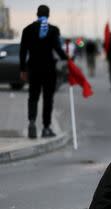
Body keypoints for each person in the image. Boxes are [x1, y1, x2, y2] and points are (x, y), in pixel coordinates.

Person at [19, 5, 68, 139]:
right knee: (48, 99)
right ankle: (46, 128)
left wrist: (23, 69)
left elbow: (23, 51)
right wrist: (67, 59)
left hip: (33, 68)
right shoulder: (53, 30)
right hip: (48, 69)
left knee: (33, 97)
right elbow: (58, 49)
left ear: (37, 14)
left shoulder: (27, 30)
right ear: (48, 15)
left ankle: (32, 122)